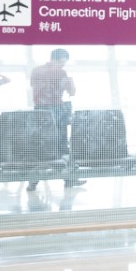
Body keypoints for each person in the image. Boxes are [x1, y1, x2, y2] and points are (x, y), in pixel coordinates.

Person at [30, 50, 82, 189]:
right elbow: (71, 92)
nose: (64, 65)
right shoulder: (60, 72)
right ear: (62, 59)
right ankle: (69, 179)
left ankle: (33, 181)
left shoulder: (35, 71)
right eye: (64, 61)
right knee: (61, 145)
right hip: (56, 111)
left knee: (41, 145)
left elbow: (34, 88)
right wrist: (71, 81)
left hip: (39, 111)